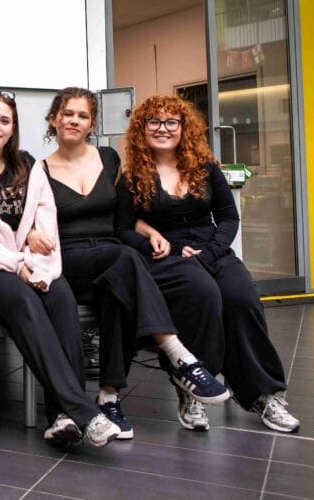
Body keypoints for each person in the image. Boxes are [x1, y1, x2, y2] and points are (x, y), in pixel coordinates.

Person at [40, 87, 229, 440]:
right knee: (126, 260)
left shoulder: (109, 159)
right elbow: (33, 222)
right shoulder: (39, 169)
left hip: (114, 256)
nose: (74, 120)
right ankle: (180, 356)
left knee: (139, 289)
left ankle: (109, 397)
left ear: (91, 123)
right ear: (54, 119)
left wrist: (148, 229)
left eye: (82, 115)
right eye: (67, 113)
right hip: (72, 259)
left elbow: (124, 217)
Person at [0, 90, 121, 448]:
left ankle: (61, 416)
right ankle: (83, 410)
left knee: (61, 296)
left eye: (4, 120)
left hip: (23, 260)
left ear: (13, 128)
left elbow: (45, 218)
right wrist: (19, 263)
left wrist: (38, 264)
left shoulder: (28, 166)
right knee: (23, 300)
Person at [117, 94, 299, 433]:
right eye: (154, 122)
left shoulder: (205, 167)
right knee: (202, 296)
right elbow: (123, 228)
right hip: (167, 258)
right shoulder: (133, 178)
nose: (163, 128)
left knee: (241, 299)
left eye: (172, 122)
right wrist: (156, 244)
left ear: (184, 128)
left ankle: (264, 394)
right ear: (142, 130)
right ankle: (193, 391)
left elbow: (229, 217)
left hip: (211, 249)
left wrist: (211, 253)